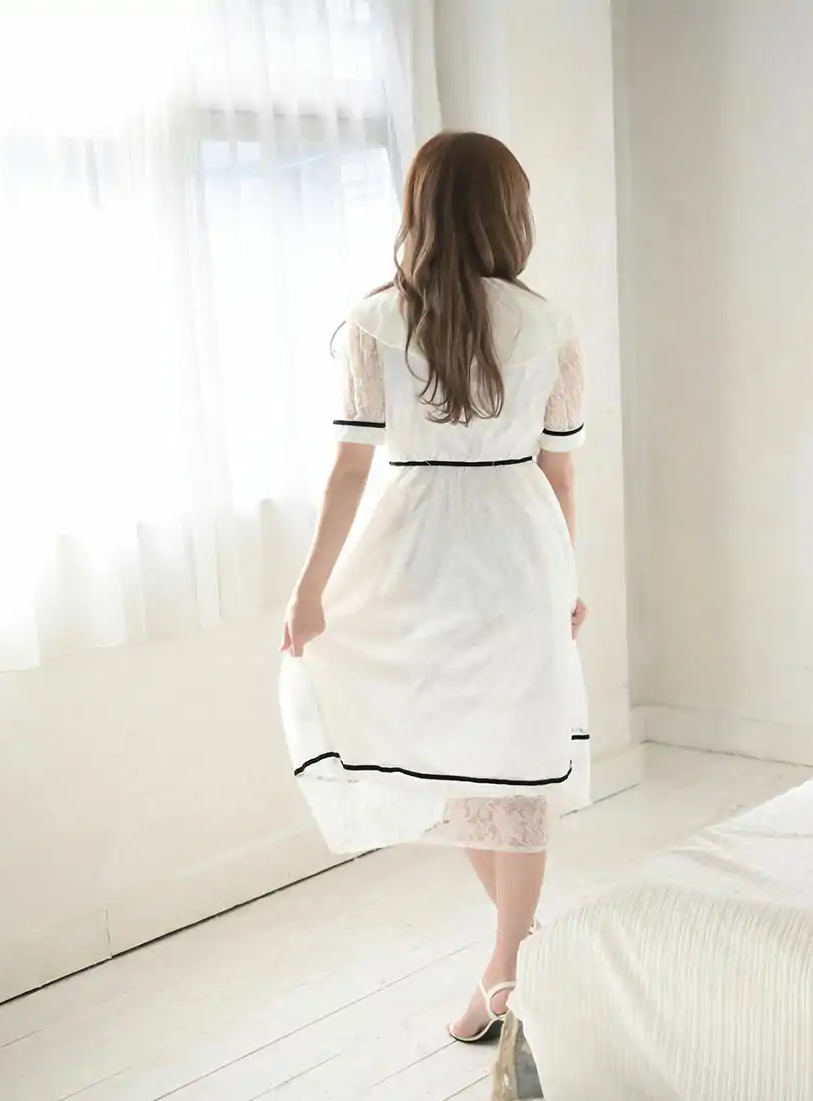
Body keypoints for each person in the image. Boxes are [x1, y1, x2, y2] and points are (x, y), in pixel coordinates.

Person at [278, 132, 590, 1045]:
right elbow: (560, 472)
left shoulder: (375, 323)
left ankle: (510, 968)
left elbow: (347, 474)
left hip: (415, 550)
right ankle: (519, 964)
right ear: (508, 213)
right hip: (518, 549)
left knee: (454, 751)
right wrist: (566, 577)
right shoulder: (549, 326)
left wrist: (310, 590)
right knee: (508, 759)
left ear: (419, 211)